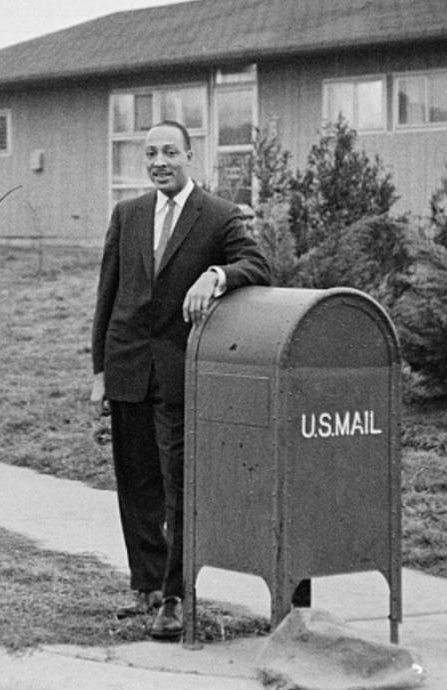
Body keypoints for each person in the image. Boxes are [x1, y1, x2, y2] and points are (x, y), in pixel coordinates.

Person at [91, 119, 271, 640]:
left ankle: (174, 596)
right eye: (150, 154)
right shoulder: (127, 215)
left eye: (170, 152)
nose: (159, 162)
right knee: (136, 485)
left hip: (178, 376)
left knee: (176, 488)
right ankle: (145, 586)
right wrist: (99, 370)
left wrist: (218, 275)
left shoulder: (217, 216)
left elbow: (257, 263)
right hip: (127, 369)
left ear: (190, 155)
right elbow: (109, 295)